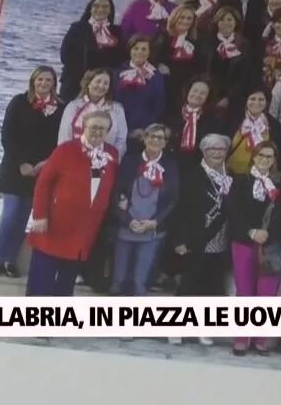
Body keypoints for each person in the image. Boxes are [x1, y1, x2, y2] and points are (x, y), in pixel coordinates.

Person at [25, 110, 120, 296]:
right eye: (94, 127)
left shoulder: (112, 154)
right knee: (40, 284)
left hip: (84, 230)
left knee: (65, 287)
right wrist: (39, 216)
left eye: (103, 128)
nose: (98, 132)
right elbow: (43, 183)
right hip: (55, 224)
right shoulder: (66, 149)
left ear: (108, 132)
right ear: (84, 127)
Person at [0, 66, 63, 278]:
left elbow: (60, 140)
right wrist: (22, 163)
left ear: (54, 83)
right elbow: (7, 136)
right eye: (40, 80)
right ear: (33, 81)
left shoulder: (60, 107)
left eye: (48, 80)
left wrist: (46, 164)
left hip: (41, 169)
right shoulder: (19, 102)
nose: (43, 83)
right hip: (15, 167)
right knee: (10, 213)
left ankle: (11, 260)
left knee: (23, 216)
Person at [226, 140, 281, 356]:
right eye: (262, 155)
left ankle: (260, 339)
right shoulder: (240, 182)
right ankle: (241, 338)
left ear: (274, 160)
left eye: (269, 156)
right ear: (254, 157)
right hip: (244, 241)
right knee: (245, 292)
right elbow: (233, 213)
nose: (265, 159)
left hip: (273, 245)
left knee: (267, 295)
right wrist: (251, 232)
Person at [168, 133, 234, 346]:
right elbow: (180, 208)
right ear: (204, 152)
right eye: (212, 149)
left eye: (221, 149)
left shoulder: (230, 176)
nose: (217, 153)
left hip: (222, 240)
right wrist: (179, 239)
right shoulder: (192, 174)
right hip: (196, 239)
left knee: (212, 287)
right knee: (189, 285)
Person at [110, 124, 180, 296]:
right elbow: (116, 192)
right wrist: (128, 220)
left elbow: (173, 199)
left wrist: (155, 222)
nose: (155, 140)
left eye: (160, 138)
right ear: (144, 138)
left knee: (140, 283)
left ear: (165, 143)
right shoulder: (130, 161)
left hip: (153, 231)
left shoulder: (170, 166)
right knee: (118, 281)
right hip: (127, 226)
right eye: (151, 136)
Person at [58, 0, 125, 102]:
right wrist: (86, 78)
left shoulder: (116, 32)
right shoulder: (77, 28)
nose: (100, 9)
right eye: (96, 5)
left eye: (105, 6)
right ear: (90, 8)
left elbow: (120, 59)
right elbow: (64, 56)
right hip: (75, 84)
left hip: (102, 86)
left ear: (110, 10)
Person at [57, 68, 129, 158]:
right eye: (98, 81)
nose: (101, 86)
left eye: (106, 83)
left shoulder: (117, 109)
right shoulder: (73, 106)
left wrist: (112, 160)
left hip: (106, 160)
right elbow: (64, 137)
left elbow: (121, 140)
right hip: (75, 158)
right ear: (88, 83)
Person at [199, 6, 257, 117]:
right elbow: (202, 69)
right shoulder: (207, 41)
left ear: (236, 23)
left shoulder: (244, 45)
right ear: (217, 23)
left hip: (233, 97)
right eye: (222, 20)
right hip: (208, 94)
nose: (226, 23)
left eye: (230, 20)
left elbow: (245, 75)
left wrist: (228, 97)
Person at [114, 35, 167, 140]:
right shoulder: (117, 73)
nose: (139, 52)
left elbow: (159, 105)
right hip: (121, 129)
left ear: (149, 52)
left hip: (147, 131)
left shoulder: (157, 76)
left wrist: (148, 129)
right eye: (136, 48)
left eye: (144, 49)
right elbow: (114, 102)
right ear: (130, 50)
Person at [151, 6, 202, 113]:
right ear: (175, 18)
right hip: (164, 84)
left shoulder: (197, 41)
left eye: (189, 19)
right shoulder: (162, 36)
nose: (185, 21)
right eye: (182, 17)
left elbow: (199, 65)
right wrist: (159, 65)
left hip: (185, 87)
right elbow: (152, 57)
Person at [224, 89, 281, 176]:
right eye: (252, 99)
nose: (256, 102)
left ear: (266, 103)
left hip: (259, 176)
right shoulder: (234, 119)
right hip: (231, 173)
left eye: (261, 99)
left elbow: (277, 154)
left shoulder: (274, 126)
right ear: (246, 101)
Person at [164, 76, 224, 161]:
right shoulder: (172, 112)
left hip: (196, 164)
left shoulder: (213, 120)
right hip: (170, 160)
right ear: (188, 91)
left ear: (208, 98)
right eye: (195, 91)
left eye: (202, 93)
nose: (197, 95)